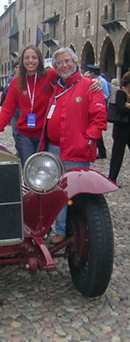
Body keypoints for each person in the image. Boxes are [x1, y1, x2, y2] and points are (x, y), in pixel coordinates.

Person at [40, 47, 107, 244]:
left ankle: (76, 231)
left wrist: (87, 140)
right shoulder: (56, 88)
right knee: (55, 191)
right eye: (59, 63)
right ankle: (59, 229)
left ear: (75, 62)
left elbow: (99, 119)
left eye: (67, 61)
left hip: (76, 150)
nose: (64, 65)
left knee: (73, 193)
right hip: (54, 148)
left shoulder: (89, 86)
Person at [0, 46, 58, 165]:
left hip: (44, 133)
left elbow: (68, 78)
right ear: (22, 61)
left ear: (39, 60)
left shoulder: (50, 75)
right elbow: (8, 108)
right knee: (29, 167)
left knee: (44, 167)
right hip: (24, 135)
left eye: (34, 58)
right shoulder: (16, 82)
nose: (30, 61)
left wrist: (92, 82)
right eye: (27, 58)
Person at [108, 72, 130, 185]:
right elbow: (121, 109)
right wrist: (126, 107)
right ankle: (111, 179)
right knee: (118, 154)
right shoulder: (121, 93)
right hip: (121, 128)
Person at [87, 64, 111, 159]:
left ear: (93, 73)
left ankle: (102, 151)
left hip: (100, 105)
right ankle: (101, 151)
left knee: (97, 131)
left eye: (90, 72)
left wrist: (97, 96)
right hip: (97, 104)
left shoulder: (101, 82)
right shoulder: (95, 81)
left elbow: (106, 95)